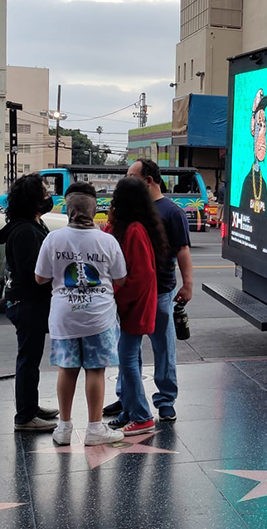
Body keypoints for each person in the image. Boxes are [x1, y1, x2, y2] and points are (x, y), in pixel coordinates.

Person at [34, 182, 127, 447]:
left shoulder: (53, 238)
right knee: (95, 370)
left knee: (67, 368)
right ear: (94, 208)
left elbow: (40, 277)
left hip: (64, 317)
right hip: (99, 317)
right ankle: (95, 428)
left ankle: (64, 428)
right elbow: (121, 277)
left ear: (68, 208)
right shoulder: (107, 240)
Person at [104, 159, 193, 424]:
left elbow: (183, 250)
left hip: (161, 291)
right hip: (131, 291)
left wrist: (187, 284)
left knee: (162, 348)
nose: (127, 179)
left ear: (148, 180)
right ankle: (127, 398)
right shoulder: (133, 212)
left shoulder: (171, 212)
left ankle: (165, 400)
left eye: (131, 175)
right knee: (128, 350)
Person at [0, 174, 61, 432]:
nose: (48, 197)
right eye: (44, 193)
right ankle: (24, 416)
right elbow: (33, 273)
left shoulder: (30, 224)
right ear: (32, 200)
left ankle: (31, 406)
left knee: (31, 358)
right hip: (27, 302)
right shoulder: (24, 230)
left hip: (27, 301)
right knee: (28, 358)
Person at [106, 177, 169, 435]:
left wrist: (117, 299)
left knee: (128, 359)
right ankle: (130, 411)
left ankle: (141, 415)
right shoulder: (133, 227)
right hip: (133, 305)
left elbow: (140, 276)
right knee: (128, 358)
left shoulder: (134, 231)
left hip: (136, 306)